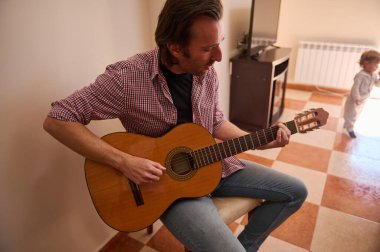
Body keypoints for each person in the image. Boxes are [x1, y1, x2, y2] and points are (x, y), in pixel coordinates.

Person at [43, 0, 307, 251]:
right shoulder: (127, 78)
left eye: (219, 44)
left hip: (213, 165)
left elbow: (215, 120)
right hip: (164, 187)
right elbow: (58, 119)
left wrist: (257, 140)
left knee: (296, 191)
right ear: (175, 48)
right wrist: (124, 162)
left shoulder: (205, 71)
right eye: (207, 48)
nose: (217, 56)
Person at [343, 50, 380, 138]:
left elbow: (377, 85)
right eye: (375, 64)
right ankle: (350, 128)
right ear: (366, 63)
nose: (377, 67)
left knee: (357, 114)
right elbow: (355, 88)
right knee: (351, 114)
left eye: (377, 65)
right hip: (354, 100)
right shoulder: (360, 75)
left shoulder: (373, 75)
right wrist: (357, 98)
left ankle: (347, 123)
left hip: (364, 99)